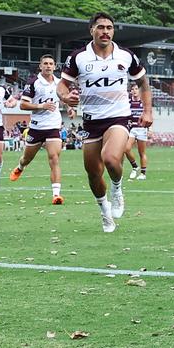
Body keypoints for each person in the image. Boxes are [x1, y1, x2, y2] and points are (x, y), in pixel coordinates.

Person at [59, 12, 153, 232]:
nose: (105, 32)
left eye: (109, 28)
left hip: (119, 117)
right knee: (93, 173)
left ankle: (117, 189)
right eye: (100, 27)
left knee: (111, 159)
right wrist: (65, 97)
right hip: (91, 123)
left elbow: (143, 84)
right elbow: (62, 86)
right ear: (91, 30)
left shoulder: (126, 56)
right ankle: (105, 213)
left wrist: (148, 111)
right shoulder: (78, 57)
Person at [12, 55, 74, 203]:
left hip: (53, 126)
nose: (48, 66)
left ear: (55, 66)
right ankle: (20, 167)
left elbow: (65, 100)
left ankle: (56, 195)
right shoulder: (33, 83)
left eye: (51, 64)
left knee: (54, 158)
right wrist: (41, 106)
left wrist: (70, 108)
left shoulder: (60, 83)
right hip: (36, 127)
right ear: (40, 66)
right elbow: (23, 105)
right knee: (27, 158)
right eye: (45, 63)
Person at [124, 84, 149, 180]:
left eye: (136, 89)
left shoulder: (143, 103)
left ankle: (143, 173)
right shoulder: (128, 103)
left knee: (142, 152)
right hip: (132, 129)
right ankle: (134, 166)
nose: (134, 91)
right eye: (132, 89)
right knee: (126, 148)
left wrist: (150, 129)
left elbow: (148, 115)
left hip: (142, 129)